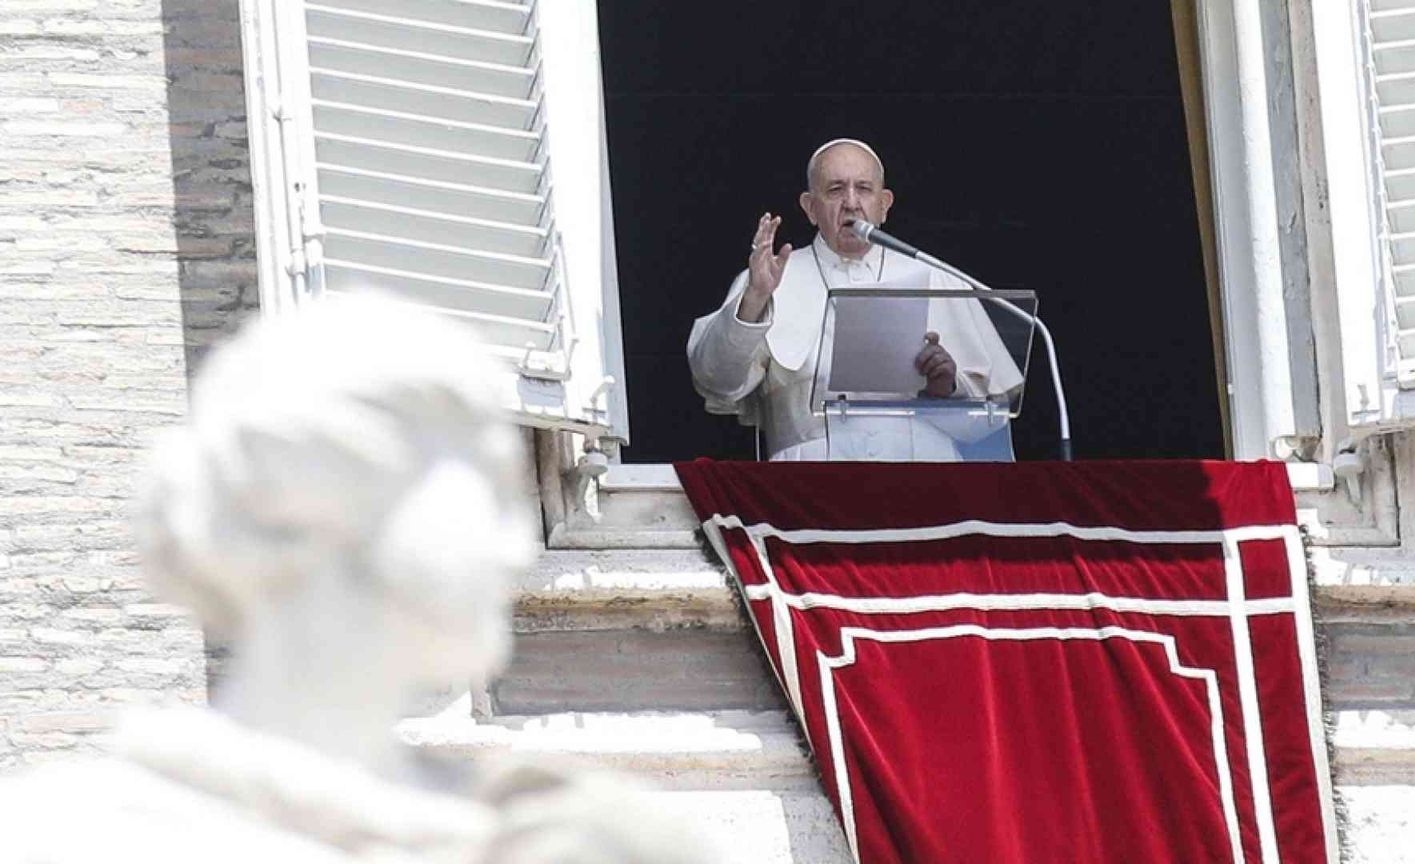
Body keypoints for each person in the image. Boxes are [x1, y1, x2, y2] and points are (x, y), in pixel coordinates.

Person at [0, 299, 711, 863]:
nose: (513, 546)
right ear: (314, 501)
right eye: (489, 490)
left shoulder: (590, 841)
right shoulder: (71, 840)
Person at [687, 138, 1024, 461]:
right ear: (810, 208)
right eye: (835, 189)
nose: (851, 202)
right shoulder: (770, 279)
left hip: (925, 480)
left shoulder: (937, 276)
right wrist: (755, 299)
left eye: (864, 188)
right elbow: (717, 383)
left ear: (884, 204)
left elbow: (988, 422)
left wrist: (946, 388)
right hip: (808, 486)